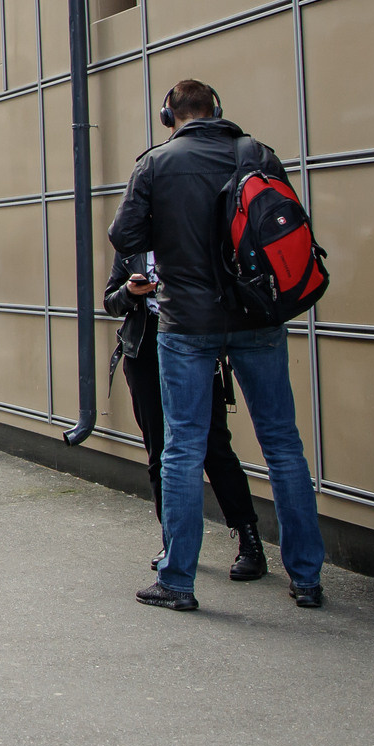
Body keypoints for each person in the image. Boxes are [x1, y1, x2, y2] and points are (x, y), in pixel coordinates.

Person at [110, 79, 325, 612]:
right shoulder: (258, 154)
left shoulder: (155, 165)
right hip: (258, 316)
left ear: (170, 116)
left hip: (187, 325)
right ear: (218, 111)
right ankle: (307, 579)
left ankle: (178, 582)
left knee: (182, 447)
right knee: (282, 445)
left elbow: (125, 237)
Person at [105, 249, 265, 581]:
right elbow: (111, 301)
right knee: (159, 450)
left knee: (214, 445)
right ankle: (174, 542)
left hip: (193, 347)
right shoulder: (131, 245)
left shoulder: (188, 229)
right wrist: (129, 293)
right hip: (145, 351)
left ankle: (250, 543)